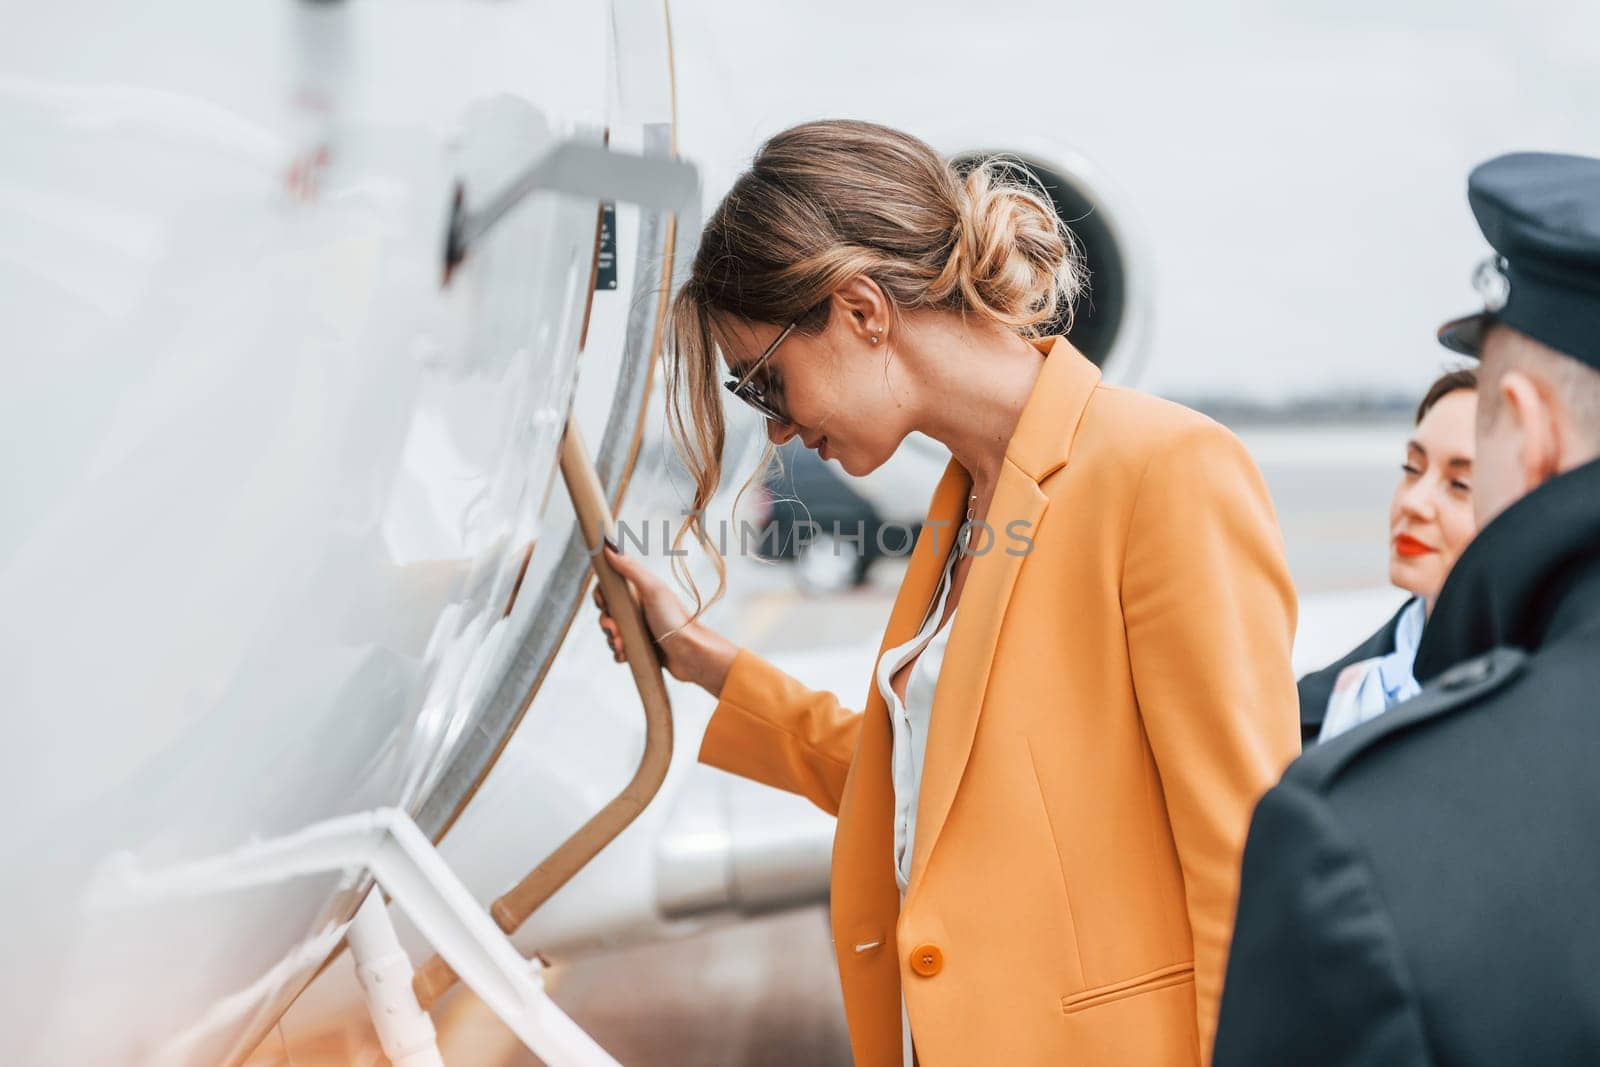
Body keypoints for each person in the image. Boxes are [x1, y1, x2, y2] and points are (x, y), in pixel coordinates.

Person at [591, 119, 1300, 1066]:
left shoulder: (1165, 471)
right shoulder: (964, 503)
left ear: (861, 311)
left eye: (767, 384)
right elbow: (935, 800)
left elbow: (1251, 865)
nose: (776, 430)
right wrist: (710, 663)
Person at [1214, 151, 1600, 1065]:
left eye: (1471, 468)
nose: (1420, 502)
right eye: (1411, 467)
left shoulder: (1362, 834)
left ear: (1531, 429)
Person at [1297, 369, 1478, 744]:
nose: (1413, 503)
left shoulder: (1555, 719)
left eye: (1460, 484)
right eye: (1412, 468)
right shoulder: (1311, 707)